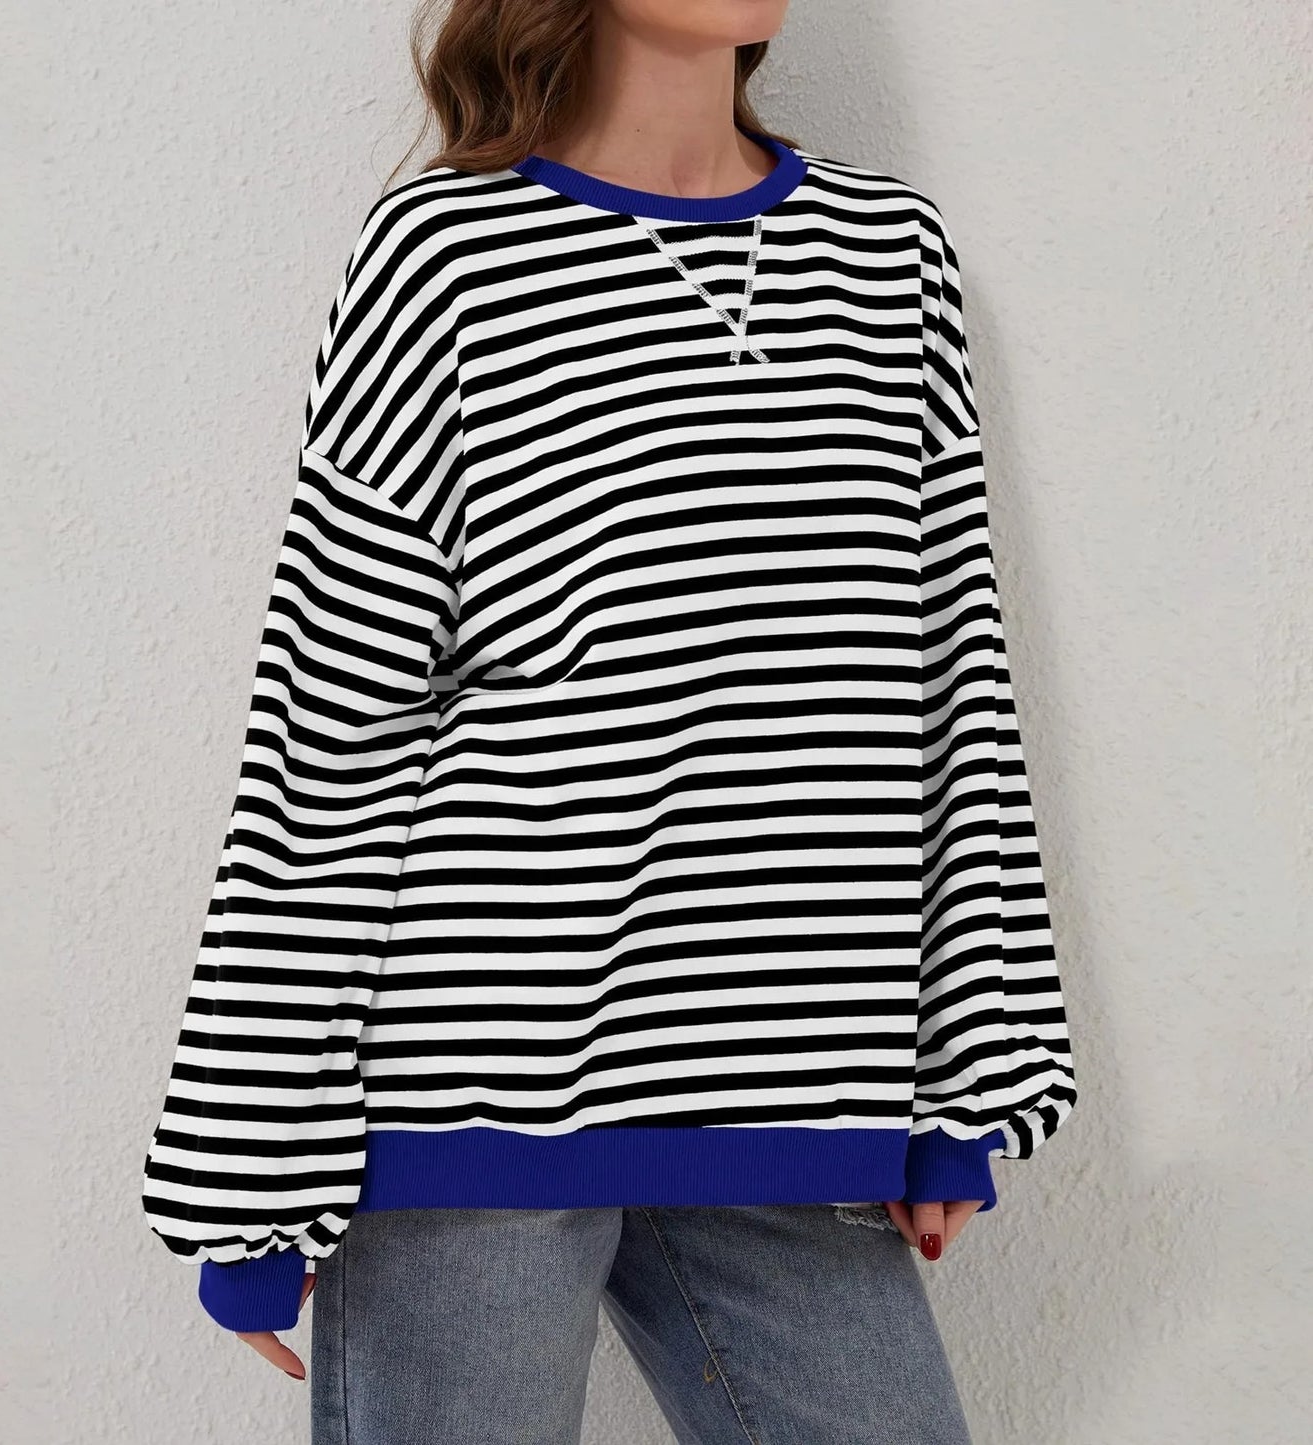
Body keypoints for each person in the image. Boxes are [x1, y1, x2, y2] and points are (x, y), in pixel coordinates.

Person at [141, 1, 1078, 1440]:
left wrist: (963, 1070)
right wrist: (251, 1159)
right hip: (474, 1084)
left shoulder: (890, 253)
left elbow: (950, 668)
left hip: (793, 1075)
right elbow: (329, 721)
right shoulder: (444, 258)